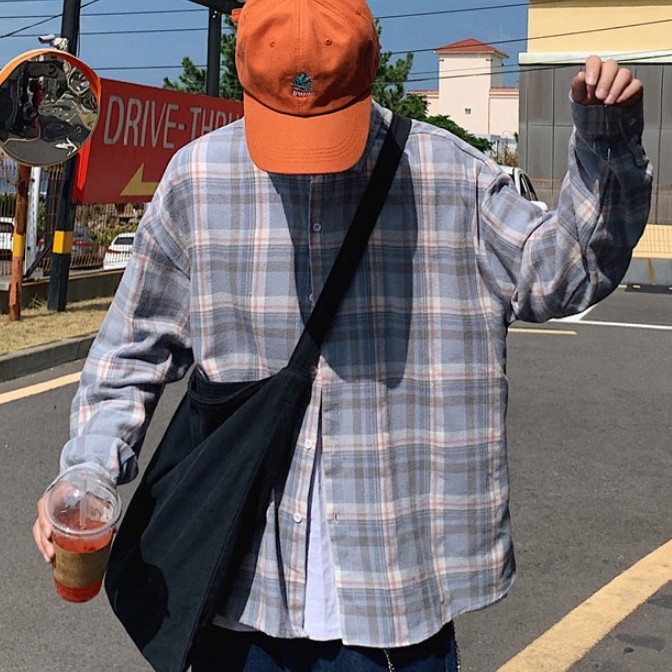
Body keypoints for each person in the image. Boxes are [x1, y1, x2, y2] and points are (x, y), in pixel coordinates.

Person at [34, 0, 652, 670]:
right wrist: (88, 473)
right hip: (238, 589)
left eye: (329, 124)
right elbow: (128, 352)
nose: (308, 160)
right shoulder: (198, 182)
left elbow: (563, 274)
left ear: (371, 67)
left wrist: (606, 140)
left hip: (395, 605)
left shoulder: (449, 176)